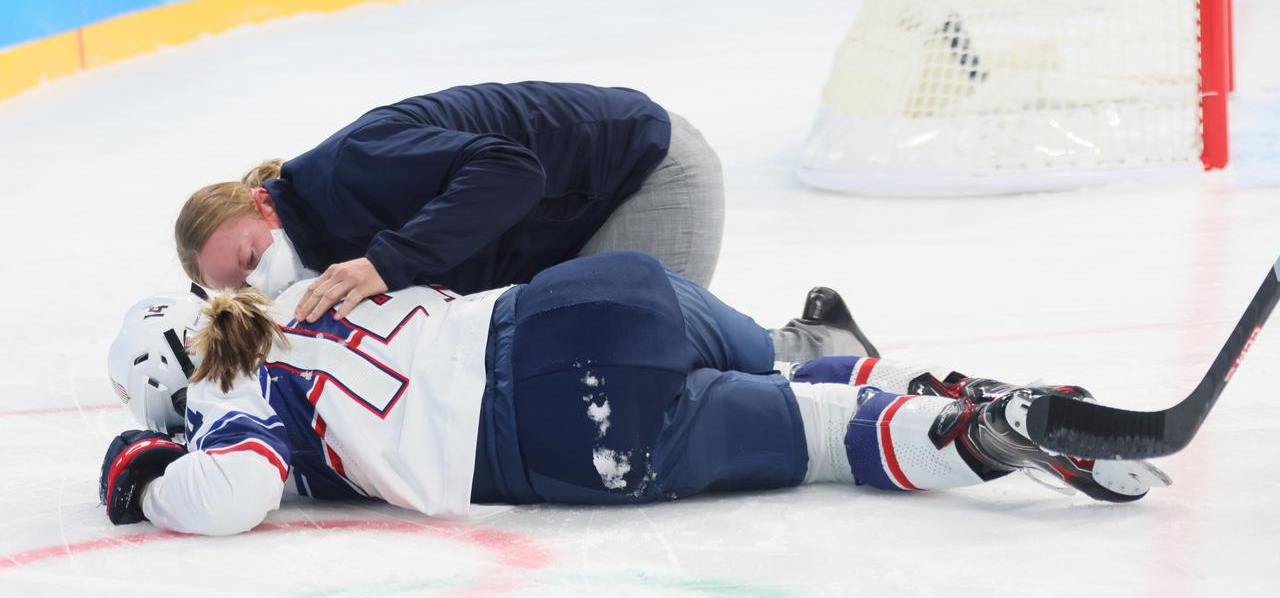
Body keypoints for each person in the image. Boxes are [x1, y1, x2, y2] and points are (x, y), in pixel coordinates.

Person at [101, 253, 1168, 536]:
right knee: (789, 367)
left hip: (559, 421)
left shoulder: (228, 385)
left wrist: (146, 480)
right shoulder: (299, 300)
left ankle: (975, 434)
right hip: (594, 296)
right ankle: (936, 386)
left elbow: (232, 491)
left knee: (825, 438)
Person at [174, 81, 727, 325]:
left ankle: (797, 348)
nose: (259, 284)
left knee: (641, 349)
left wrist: (386, 263)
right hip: (572, 223)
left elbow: (513, 172)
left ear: (264, 205)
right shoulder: (321, 246)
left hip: (644, 169)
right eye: (241, 290)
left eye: (250, 259)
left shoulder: (350, 166)